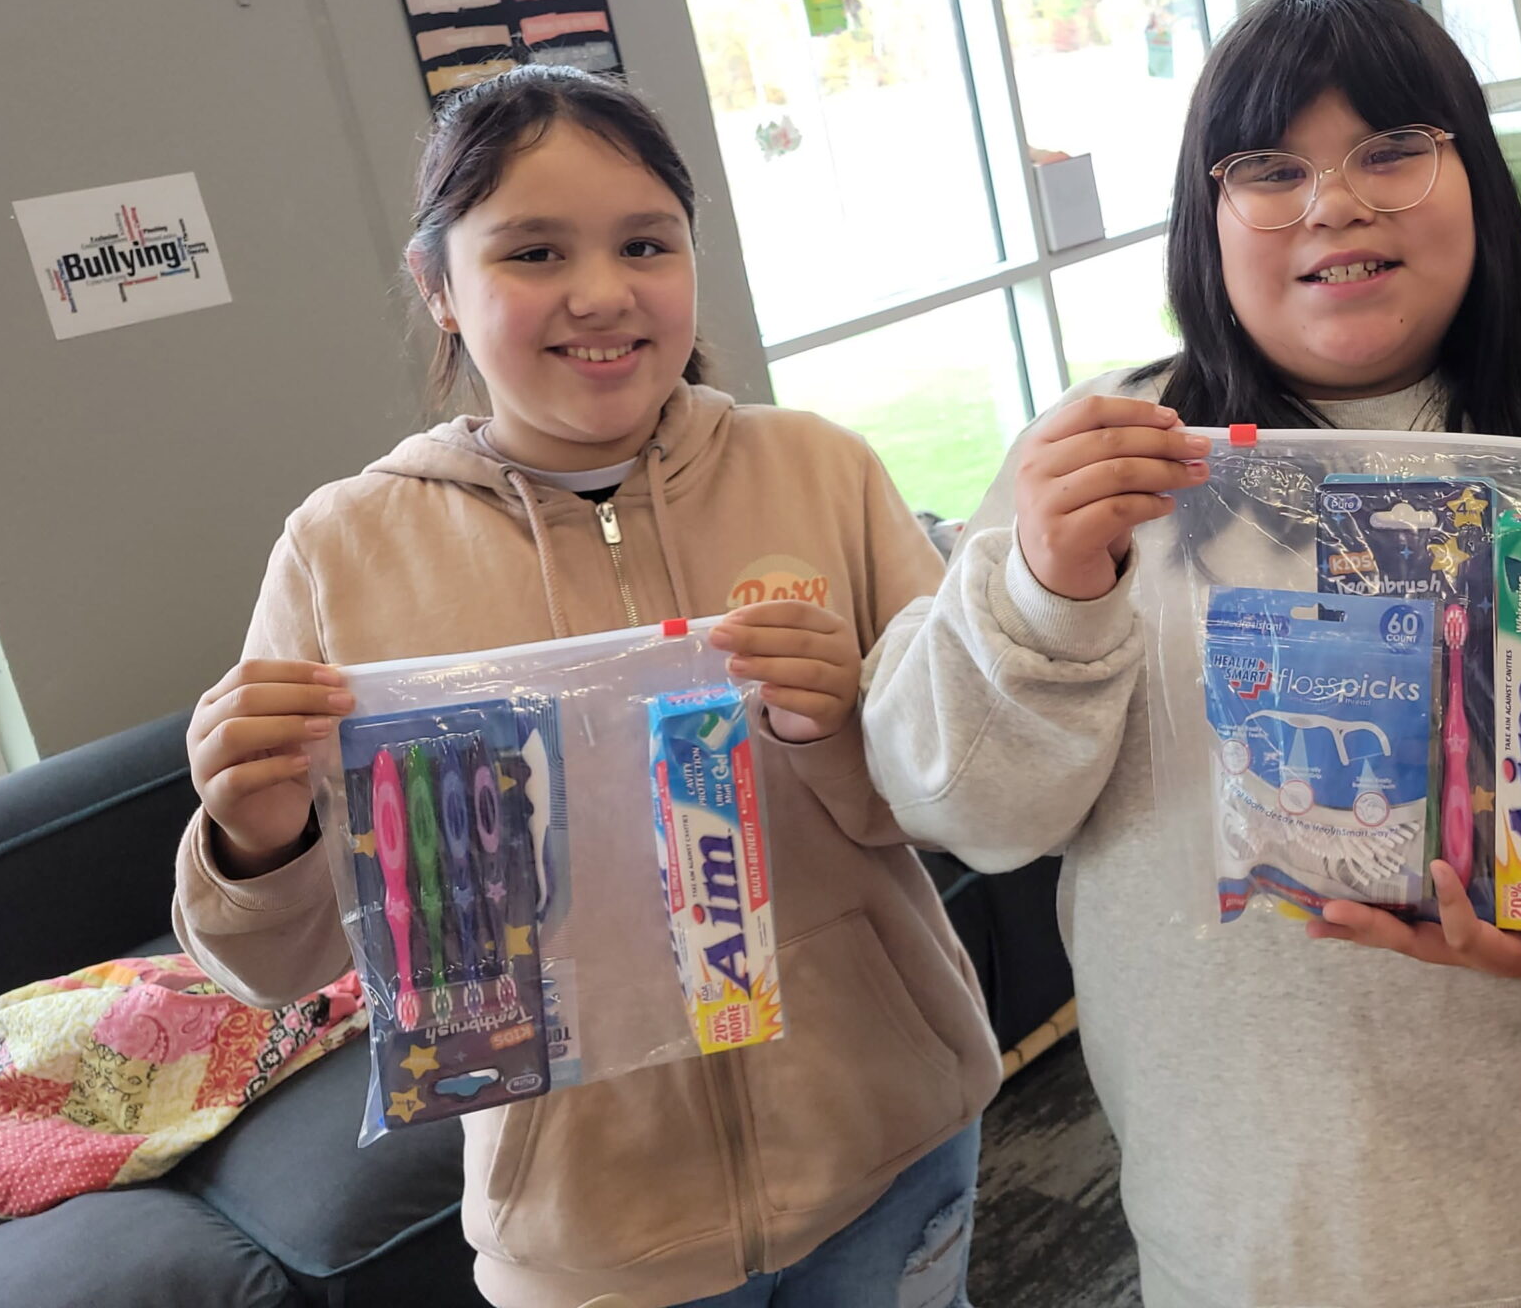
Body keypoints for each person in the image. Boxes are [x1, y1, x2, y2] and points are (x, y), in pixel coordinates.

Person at [861, 0, 1521, 1308]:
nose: (1333, 203)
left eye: (1392, 150)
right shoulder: (1104, 473)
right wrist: (1045, 594)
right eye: (1270, 168)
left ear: (1479, 183)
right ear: (1204, 218)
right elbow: (959, 807)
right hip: (1239, 1249)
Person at [173, 65, 993, 1308]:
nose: (602, 293)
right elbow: (276, 972)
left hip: (893, 1147)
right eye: (534, 252)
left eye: (645, 243)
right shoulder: (343, 553)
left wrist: (842, 726)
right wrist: (253, 835)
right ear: (437, 286)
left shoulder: (821, 471)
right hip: (592, 1237)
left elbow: (960, 803)